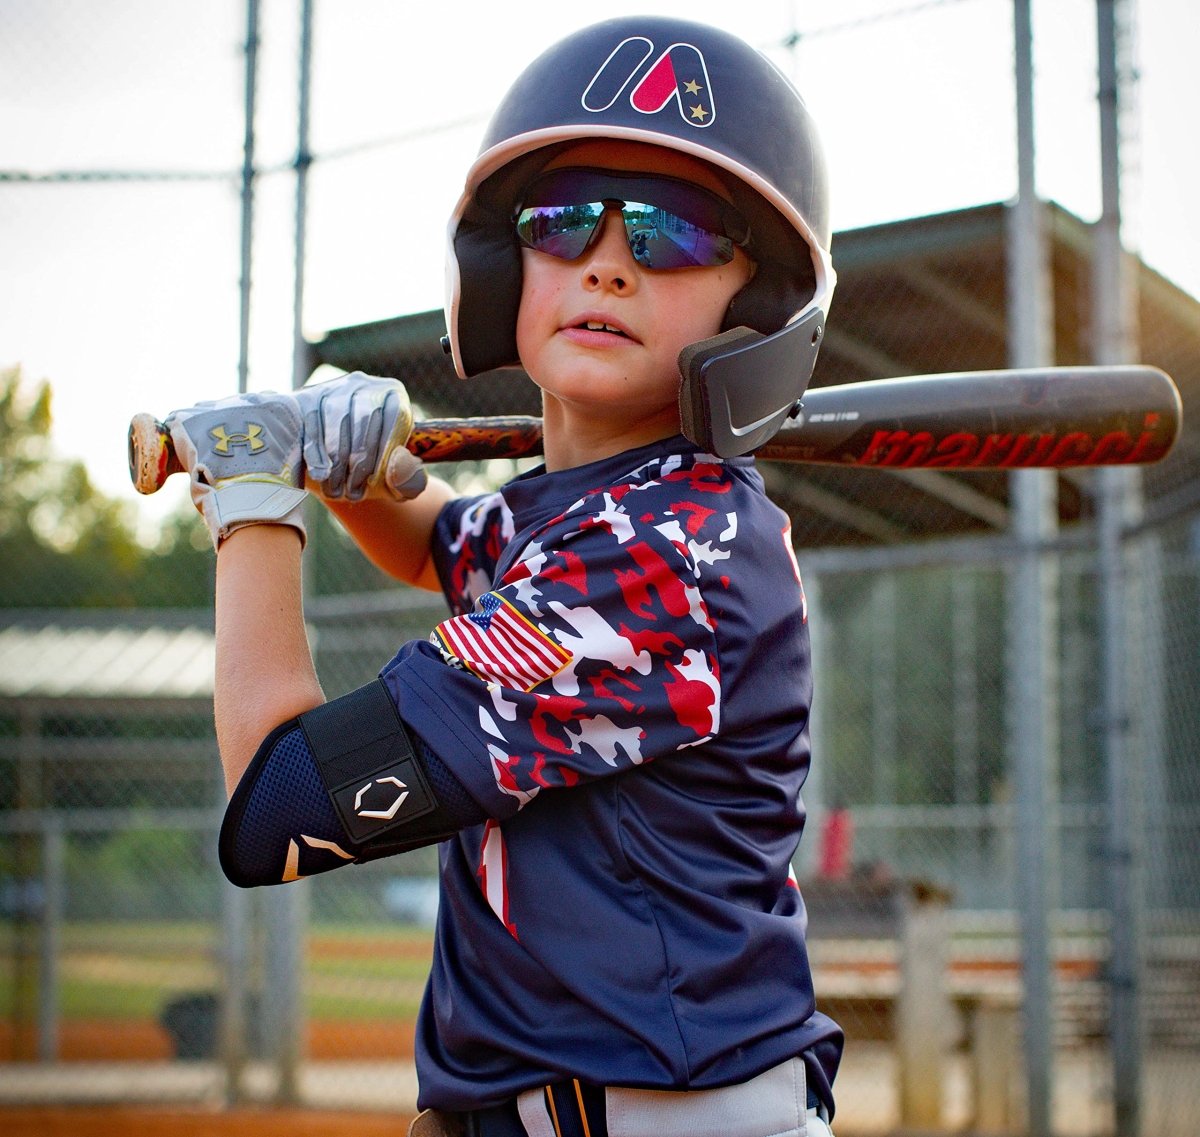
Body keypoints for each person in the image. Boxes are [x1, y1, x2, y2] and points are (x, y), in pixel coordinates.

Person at [163, 16, 842, 1137]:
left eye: (676, 233)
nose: (608, 260)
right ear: (499, 266)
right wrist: (355, 471)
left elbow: (276, 802)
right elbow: (445, 542)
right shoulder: (584, 522)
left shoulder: (660, 562)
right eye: (563, 220)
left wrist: (251, 502)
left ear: (753, 306)